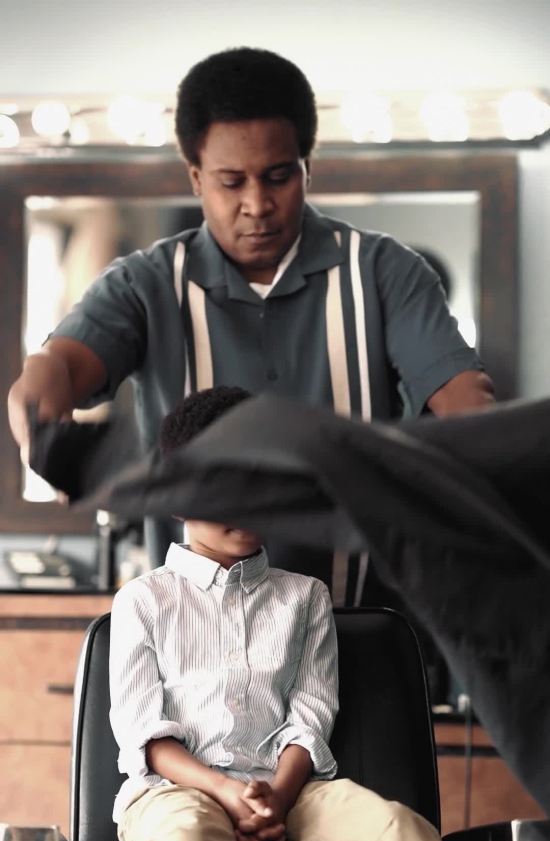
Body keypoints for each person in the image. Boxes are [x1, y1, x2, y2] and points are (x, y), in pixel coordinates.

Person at [8, 47, 494, 604]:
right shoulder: (144, 284)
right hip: (193, 638)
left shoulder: (385, 272)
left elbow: (465, 401)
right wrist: (43, 427)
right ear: (196, 177)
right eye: (231, 182)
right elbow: (57, 368)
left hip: (360, 624)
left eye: (278, 177)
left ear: (307, 167)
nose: (257, 204)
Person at [109, 384, 509, 841]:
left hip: (292, 791)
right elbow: (145, 735)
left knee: (396, 828)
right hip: (175, 794)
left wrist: (276, 798)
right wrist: (225, 793)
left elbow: (310, 718)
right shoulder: (142, 601)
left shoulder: (305, 598)